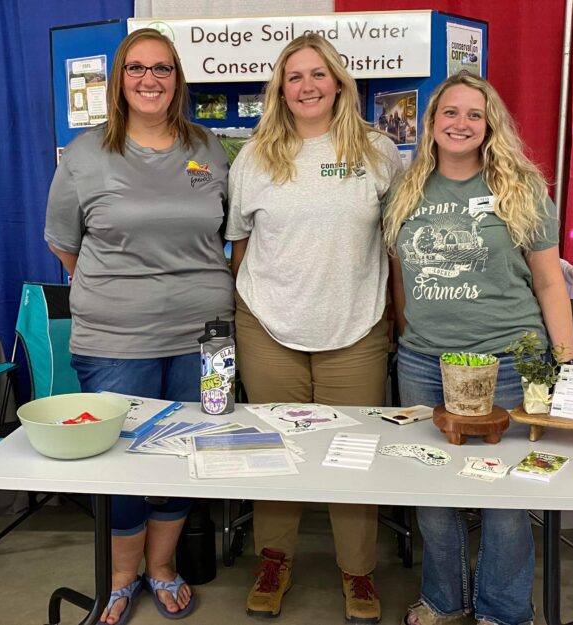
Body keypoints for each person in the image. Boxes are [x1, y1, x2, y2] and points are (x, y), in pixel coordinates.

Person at [44, 28, 232, 625]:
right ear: (119, 81)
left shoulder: (210, 148)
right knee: (121, 457)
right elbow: (65, 247)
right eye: (136, 69)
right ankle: (123, 577)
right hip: (116, 336)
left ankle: (162, 567)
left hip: (204, 333)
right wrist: (124, 291)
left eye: (163, 69)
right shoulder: (84, 154)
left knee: (181, 451)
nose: (150, 80)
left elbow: (226, 232)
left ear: (178, 79)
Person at [383, 72, 573, 625]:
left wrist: (560, 361)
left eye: (473, 114)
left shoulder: (520, 187)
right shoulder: (406, 188)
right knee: (434, 490)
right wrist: (405, 336)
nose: (460, 123)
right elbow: (401, 277)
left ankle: (504, 611)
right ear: (432, 123)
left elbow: (548, 281)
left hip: (509, 362)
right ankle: (445, 602)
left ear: (490, 125)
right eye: (450, 113)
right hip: (425, 362)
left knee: (506, 500)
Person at [225, 33, 400, 623]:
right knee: (276, 450)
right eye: (294, 77)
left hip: (356, 326)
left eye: (318, 74)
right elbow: (240, 245)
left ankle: (359, 573)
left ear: (339, 83)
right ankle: (273, 560)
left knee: (352, 454)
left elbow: (395, 244)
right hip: (267, 325)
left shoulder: (380, 153)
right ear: (280, 88)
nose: (307, 86)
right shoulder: (254, 158)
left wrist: (397, 318)